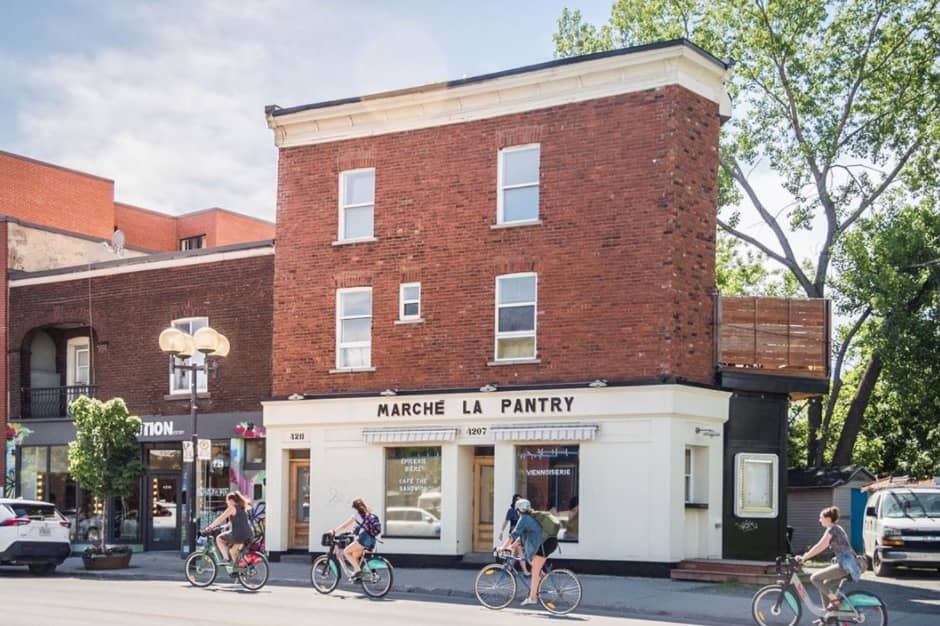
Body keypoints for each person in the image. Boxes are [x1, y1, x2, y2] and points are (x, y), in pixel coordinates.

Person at [795, 506, 860, 611]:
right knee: (824, 586)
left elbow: (820, 546)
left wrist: (804, 557)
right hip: (848, 564)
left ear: (828, 519)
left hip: (845, 566)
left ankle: (835, 601)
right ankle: (828, 617)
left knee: (814, 578)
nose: (819, 520)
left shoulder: (833, 529)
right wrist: (806, 556)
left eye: (821, 517)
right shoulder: (837, 528)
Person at [498, 498, 556, 606]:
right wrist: (511, 546)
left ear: (519, 510)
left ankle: (533, 598)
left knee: (534, 571)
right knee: (534, 567)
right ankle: (539, 582)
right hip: (548, 543)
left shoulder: (524, 519)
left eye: (517, 510)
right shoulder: (530, 517)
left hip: (544, 545)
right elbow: (522, 537)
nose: (517, 512)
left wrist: (502, 547)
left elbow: (513, 535)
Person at [331, 498, 380, 582]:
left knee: (346, 552)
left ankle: (358, 571)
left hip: (363, 539)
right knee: (354, 555)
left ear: (355, 507)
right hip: (372, 540)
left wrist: (334, 531)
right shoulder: (368, 513)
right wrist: (353, 532)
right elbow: (363, 527)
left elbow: (344, 526)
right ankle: (358, 577)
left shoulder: (356, 515)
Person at [205, 491, 252, 564]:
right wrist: (224, 526)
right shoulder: (242, 507)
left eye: (227, 501)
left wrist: (210, 527)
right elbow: (236, 521)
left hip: (238, 535)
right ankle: (241, 570)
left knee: (219, 538)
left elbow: (221, 518)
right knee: (233, 552)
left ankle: (226, 559)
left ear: (231, 501)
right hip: (248, 534)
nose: (227, 503)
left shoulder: (232, 508)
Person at [497, 494, 529, 575]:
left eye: (520, 500)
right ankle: (525, 571)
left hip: (520, 533)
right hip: (514, 533)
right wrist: (501, 531)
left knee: (516, 552)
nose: (518, 502)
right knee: (519, 550)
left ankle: (509, 569)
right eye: (517, 500)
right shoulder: (511, 510)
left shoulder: (523, 511)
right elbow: (506, 521)